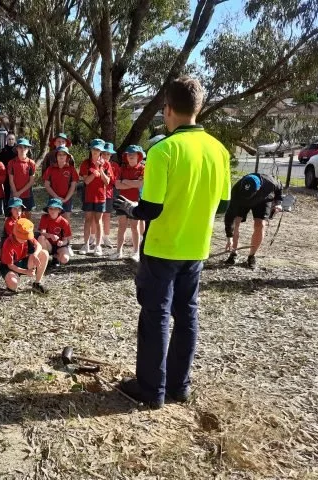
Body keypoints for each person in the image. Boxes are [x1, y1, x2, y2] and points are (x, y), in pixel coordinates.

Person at [113, 76, 231, 409]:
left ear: (167, 109)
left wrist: (131, 209)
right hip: (196, 247)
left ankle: (151, 389)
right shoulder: (219, 150)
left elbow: (151, 208)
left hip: (163, 247)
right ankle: (180, 385)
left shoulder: (163, 150)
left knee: (156, 316)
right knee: (187, 314)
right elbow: (223, 205)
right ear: (199, 108)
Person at [224, 173, 282, 269]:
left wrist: (278, 202)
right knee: (235, 222)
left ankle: (251, 256)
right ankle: (233, 253)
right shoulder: (236, 190)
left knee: (260, 225)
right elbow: (230, 215)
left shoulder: (270, 182)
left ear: (259, 188)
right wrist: (229, 236)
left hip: (263, 200)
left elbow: (279, 187)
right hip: (242, 201)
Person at [78, 139, 110, 256]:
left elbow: (107, 182)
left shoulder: (106, 164)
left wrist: (100, 169)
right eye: (93, 148)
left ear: (101, 151)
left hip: (101, 197)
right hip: (88, 196)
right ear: (91, 149)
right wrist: (94, 173)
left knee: (98, 221)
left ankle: (98, 246)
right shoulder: (85, 163)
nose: (95, 151)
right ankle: (86, 244)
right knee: (88, 220)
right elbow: (86, 181)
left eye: (98, 149)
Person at [0, 218, 48, 294]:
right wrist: (26, 272)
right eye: (22, 237)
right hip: (9, 267)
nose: (25, 239)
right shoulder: (8, 243)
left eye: (26, 237)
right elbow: (10, 266)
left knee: (44, 253)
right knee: (13, 284)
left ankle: (37, 283)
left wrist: (35, 254)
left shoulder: (27, 236)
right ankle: (12, 279)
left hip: (23, 261)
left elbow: (39, 245)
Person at [114, 145, 145, 261]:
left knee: (134, 227)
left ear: (138, 156)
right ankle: (118, 252)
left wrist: (125, 181)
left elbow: (140, 184)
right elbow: (117, 185)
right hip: (122, 200)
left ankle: (136, 252)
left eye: (133, 154)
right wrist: (133, 183)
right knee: (121, 227)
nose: (131, 156)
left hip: (135, 202)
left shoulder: (142, 168)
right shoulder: (121, 169)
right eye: (128, 154)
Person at [43, 145, 78, 221]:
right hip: (53, 198)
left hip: (67, 199)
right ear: (56, 156)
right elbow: (47, 185)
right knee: (53, 219)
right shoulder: (50, 169)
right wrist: (56, 197)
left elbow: (73, 186)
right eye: (59, 154)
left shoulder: (71, 169)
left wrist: (66, 199)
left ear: (67, 157)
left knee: (66, 219)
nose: (61, 156)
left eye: (64, 154)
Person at [37, 198, 72, 268]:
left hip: (59, 246)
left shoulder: (64, 222)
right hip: (48, 245)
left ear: (59, 210)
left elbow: (66, 240)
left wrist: (62, 242)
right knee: (41, 238)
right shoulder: (44, 217)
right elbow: (42, 233)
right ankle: (44, 259)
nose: (52, 211)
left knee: (65, 259)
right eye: (50, 208)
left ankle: (56, 257)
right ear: (48, 209)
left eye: (55, 209)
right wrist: (50, 235)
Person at [7, 138, 37, 218]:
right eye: (20, 147)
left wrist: (19, 192)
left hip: (27, 194)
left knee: (27, 215)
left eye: (25, 147)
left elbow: (31, 181)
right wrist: (15, 193)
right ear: (16, 148)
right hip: (14, 193)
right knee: (14, 215)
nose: (23, 149)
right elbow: (11, 180)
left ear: (28, 149)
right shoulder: (11, 163)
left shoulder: (31, 163)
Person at [101, 143, 117, 248]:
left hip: (108, 194)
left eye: (108, 154)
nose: (106, 156)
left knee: (106, 216)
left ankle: (106, 237)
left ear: (111, 155)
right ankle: (93, 237)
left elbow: (114, 181)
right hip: (96, 194)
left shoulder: (114, 166)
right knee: (95, 216)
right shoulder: (96, 163)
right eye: (104, 153)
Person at [0, 132, 17, 213]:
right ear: (6, 140)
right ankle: (7, 211)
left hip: (16, 175)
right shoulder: (2, 151)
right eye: (9, 139)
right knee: (6, 193)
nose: (11, 141)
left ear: (15, 140)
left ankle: (15, 210)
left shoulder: (17, 151)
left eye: (12, 139)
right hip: (6, 175)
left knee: (15, 193)